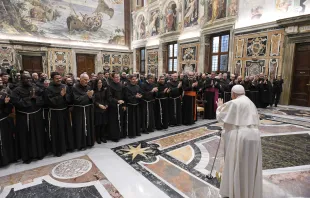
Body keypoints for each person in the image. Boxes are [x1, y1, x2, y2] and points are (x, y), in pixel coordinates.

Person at [216, 85, 262, 198]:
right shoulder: (250, 102)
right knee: (249, 165)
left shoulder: (235, 102)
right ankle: (248, 191)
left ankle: (236, 192)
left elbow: (221, 116)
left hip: (241, 136)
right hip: (255, 136)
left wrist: (219, 107)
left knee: (238, 163)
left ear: (233, 93)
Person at [11, 74, 45, 163]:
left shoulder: (36, 88)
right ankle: (27, 157)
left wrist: (36, 98)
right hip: (23, 117)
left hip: (36, 116)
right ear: (21, 80)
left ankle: (39, 154)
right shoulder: (16, 90)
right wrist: (30, 98)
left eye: (29, 78)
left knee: (37, 135)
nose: (28, 80)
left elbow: (43, 98)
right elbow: (16, 102)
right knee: (25, 137)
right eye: (26, 78)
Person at [45, 72, 74, 156]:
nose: (59, 79)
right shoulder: (48, 89)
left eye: (60, 78)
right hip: (55, 113)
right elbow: (50, 101)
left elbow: (69, 98)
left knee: (66, 129)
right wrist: (61, 96)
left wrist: (65, 96)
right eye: (57, 78)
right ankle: (58, 150)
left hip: (64, 111)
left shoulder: (64, 86)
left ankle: (68, 147)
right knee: (57, 131)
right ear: (52, 79)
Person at [72, 73, 95, 150]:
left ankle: (89, 142)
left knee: (88, 126)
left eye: (87, 79)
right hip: (79, 111)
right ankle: (81, 144)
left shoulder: (88, 87)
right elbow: (76, 100)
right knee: (80, 128)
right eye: (85, 79)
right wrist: (87, 95)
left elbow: (92, 99)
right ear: (80, 79)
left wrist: (91, 97)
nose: (87, 81)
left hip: (88, 110)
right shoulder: (75, 88)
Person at [0, 77, 17, 167]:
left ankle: (8, 159)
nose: (1, 82)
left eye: (1, 81)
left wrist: (6, 104)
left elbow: (9, 110)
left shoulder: (4, 93)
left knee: (7, 140)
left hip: (4, 120)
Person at [108, 73, 126, 141]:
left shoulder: (122, 85)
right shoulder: (110, 86)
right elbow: (109, 97)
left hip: (121, 106)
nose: (118, 78)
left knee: (121, 120)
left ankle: (121, 134)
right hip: (113, 107)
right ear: (113, 78)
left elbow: (124, 96)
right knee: (114, 122)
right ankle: (114, 136)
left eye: (118, 77)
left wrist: (124, 105)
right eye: (116, 77)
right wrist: (117, 101)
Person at [94, 79, 110, 144]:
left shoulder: (104, 90)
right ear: (96, 84)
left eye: (100, 83)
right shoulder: (94, 91)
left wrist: (106, 104)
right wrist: (99, 105)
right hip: (97, 109)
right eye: (98, 83)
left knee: (104, 124)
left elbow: (106, 98)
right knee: (98, 124)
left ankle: (103, 137)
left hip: (104, 109)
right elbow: (93, 101)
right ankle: (98, 138)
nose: (100, 84)